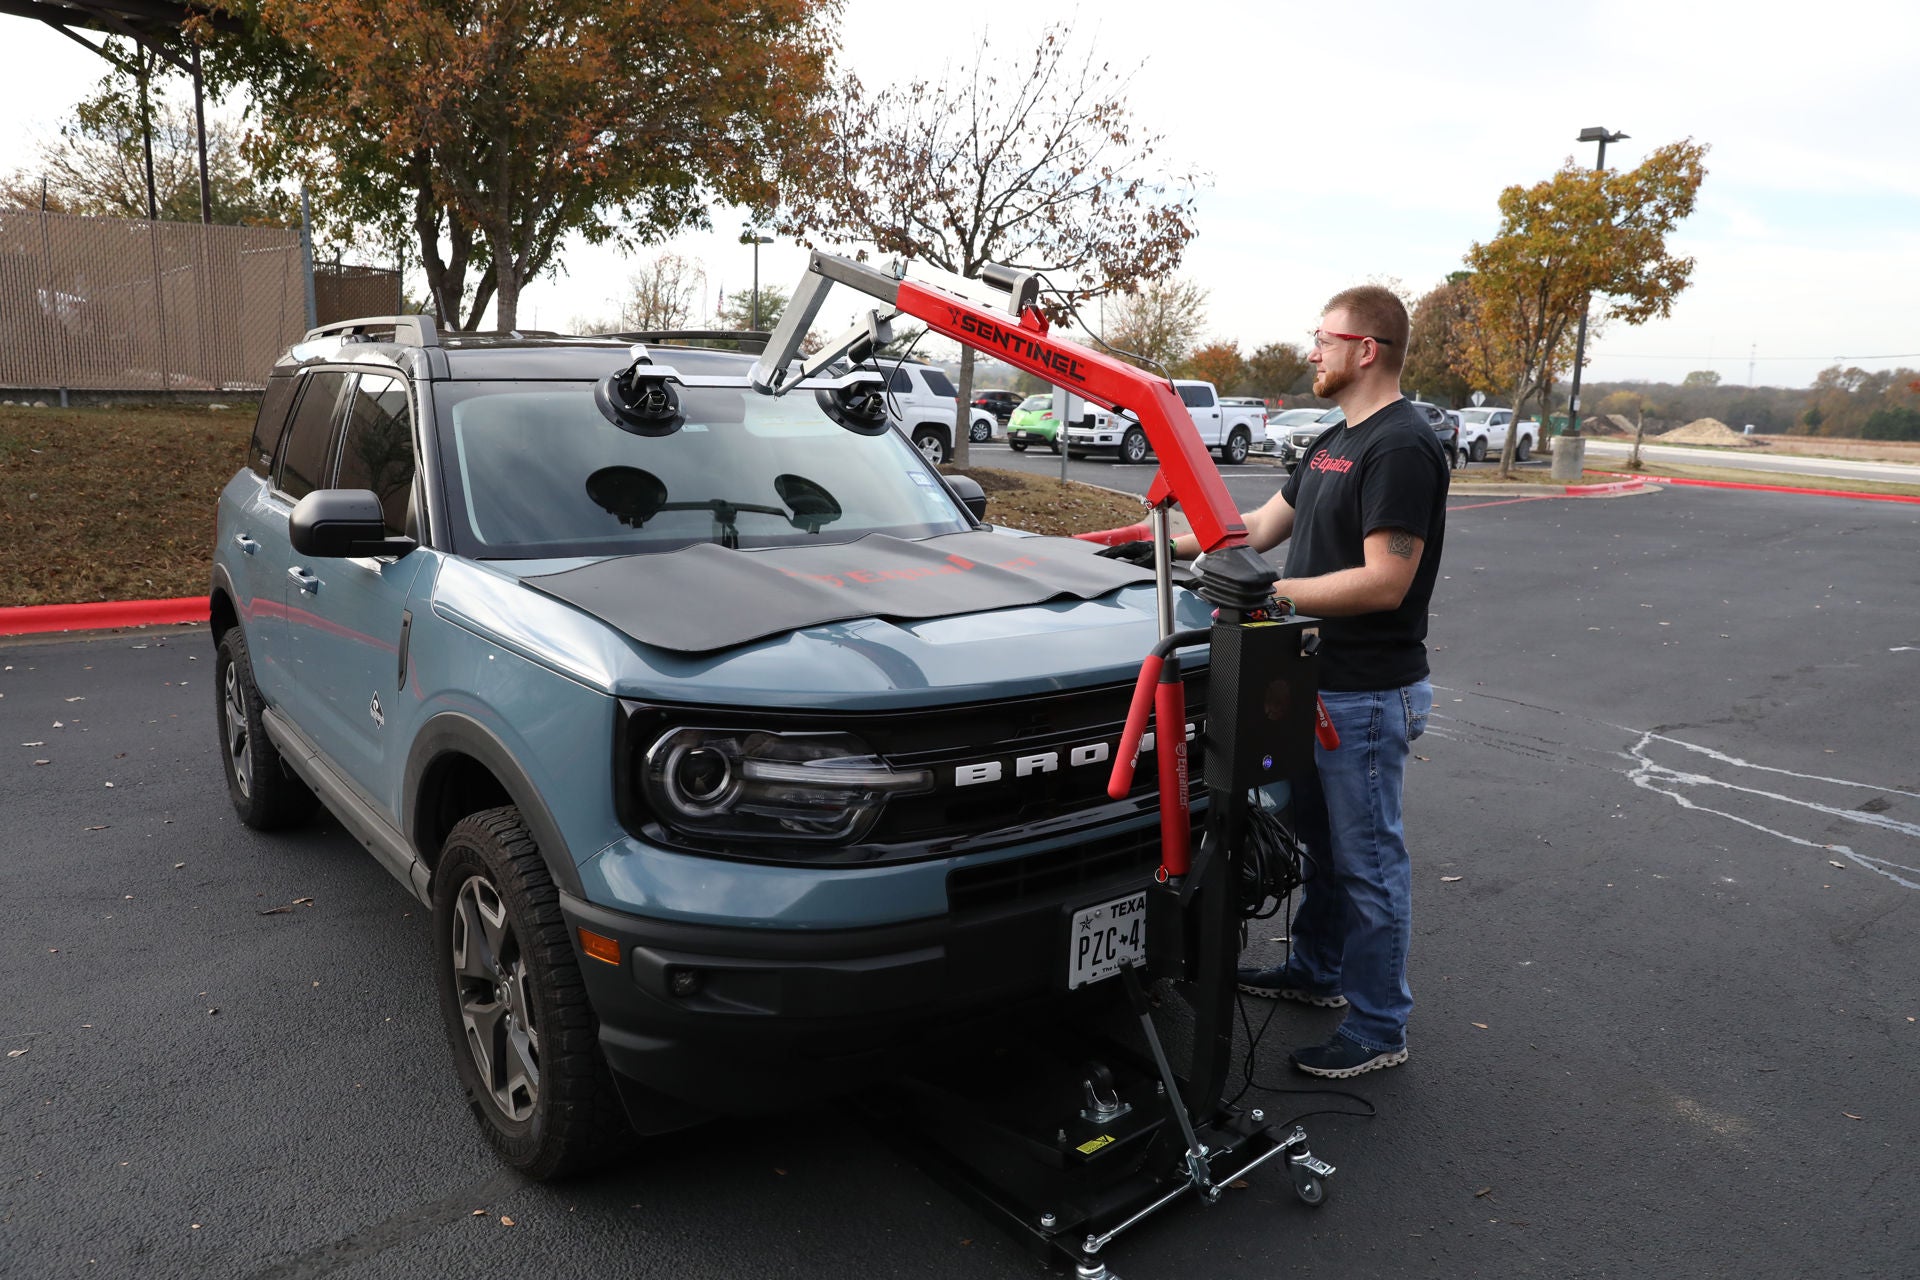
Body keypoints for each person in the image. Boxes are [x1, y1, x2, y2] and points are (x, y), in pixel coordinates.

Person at [1136, 285, 1449, 1077]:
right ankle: (1316, 971)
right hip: (1314, 682)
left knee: (1368, 863)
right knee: (1321, 847)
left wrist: (1267, 594)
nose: (1313, 350)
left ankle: (1379, 1026)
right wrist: (1154, 542)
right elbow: (1251, 530)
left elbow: (1385, 582)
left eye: (1324, 337)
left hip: (1366, 693)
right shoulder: (1333, 441)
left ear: (1365, 349)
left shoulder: (1401, 446)